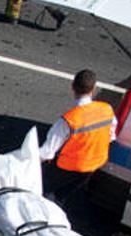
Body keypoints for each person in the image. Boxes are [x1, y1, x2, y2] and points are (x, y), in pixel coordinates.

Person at [40, 69, 117, 206]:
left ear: (72, 87)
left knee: (43, 189)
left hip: (69, 167)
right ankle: (57, 201)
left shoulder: (69, 120)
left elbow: (47, 152)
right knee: (64, 193)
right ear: (93, 89)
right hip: (94, 164)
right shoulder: (107, 109)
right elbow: (111, 135)